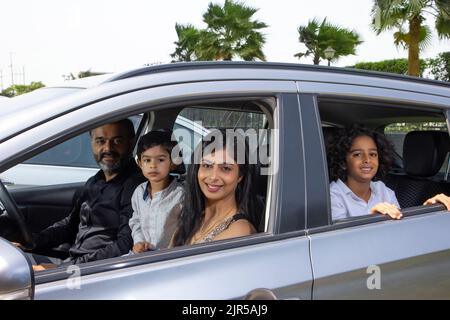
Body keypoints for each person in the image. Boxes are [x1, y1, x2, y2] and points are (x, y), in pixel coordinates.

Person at [22, 119, 145, 270]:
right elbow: (70, 225)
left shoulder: (136, 187)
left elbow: (124, 245)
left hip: (92, 272)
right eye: (100, 141)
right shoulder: (94, 181)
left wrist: (63, 269)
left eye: (117, 141)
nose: (107, 148)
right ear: (92, 143)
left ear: (131, 143)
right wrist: (30, 243)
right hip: (73, 262)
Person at [328, 125, 450, 221]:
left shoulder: (383, 189)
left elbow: (400, 226)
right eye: (357, 154)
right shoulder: (332, 196)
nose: (367, 160)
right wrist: (373, 217)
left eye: (373, 154)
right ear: (343, 162)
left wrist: (429, 209)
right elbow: (341, 242)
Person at [171, 129, 262, 247]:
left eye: (225, 168)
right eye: (207, 166)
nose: (213, 176)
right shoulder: (192, 218)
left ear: (240, 176)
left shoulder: (240, 230)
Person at [128, 131, 184, 253]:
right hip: (140, 254)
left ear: (173, 162)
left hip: (167, 256)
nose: (153, 165)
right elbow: (136, 221)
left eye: (160, 160)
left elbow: (185, 227)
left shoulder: (181, 195)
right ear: (140, 164)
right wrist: (139, 242)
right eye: (147, 160)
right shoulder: (139, 192)